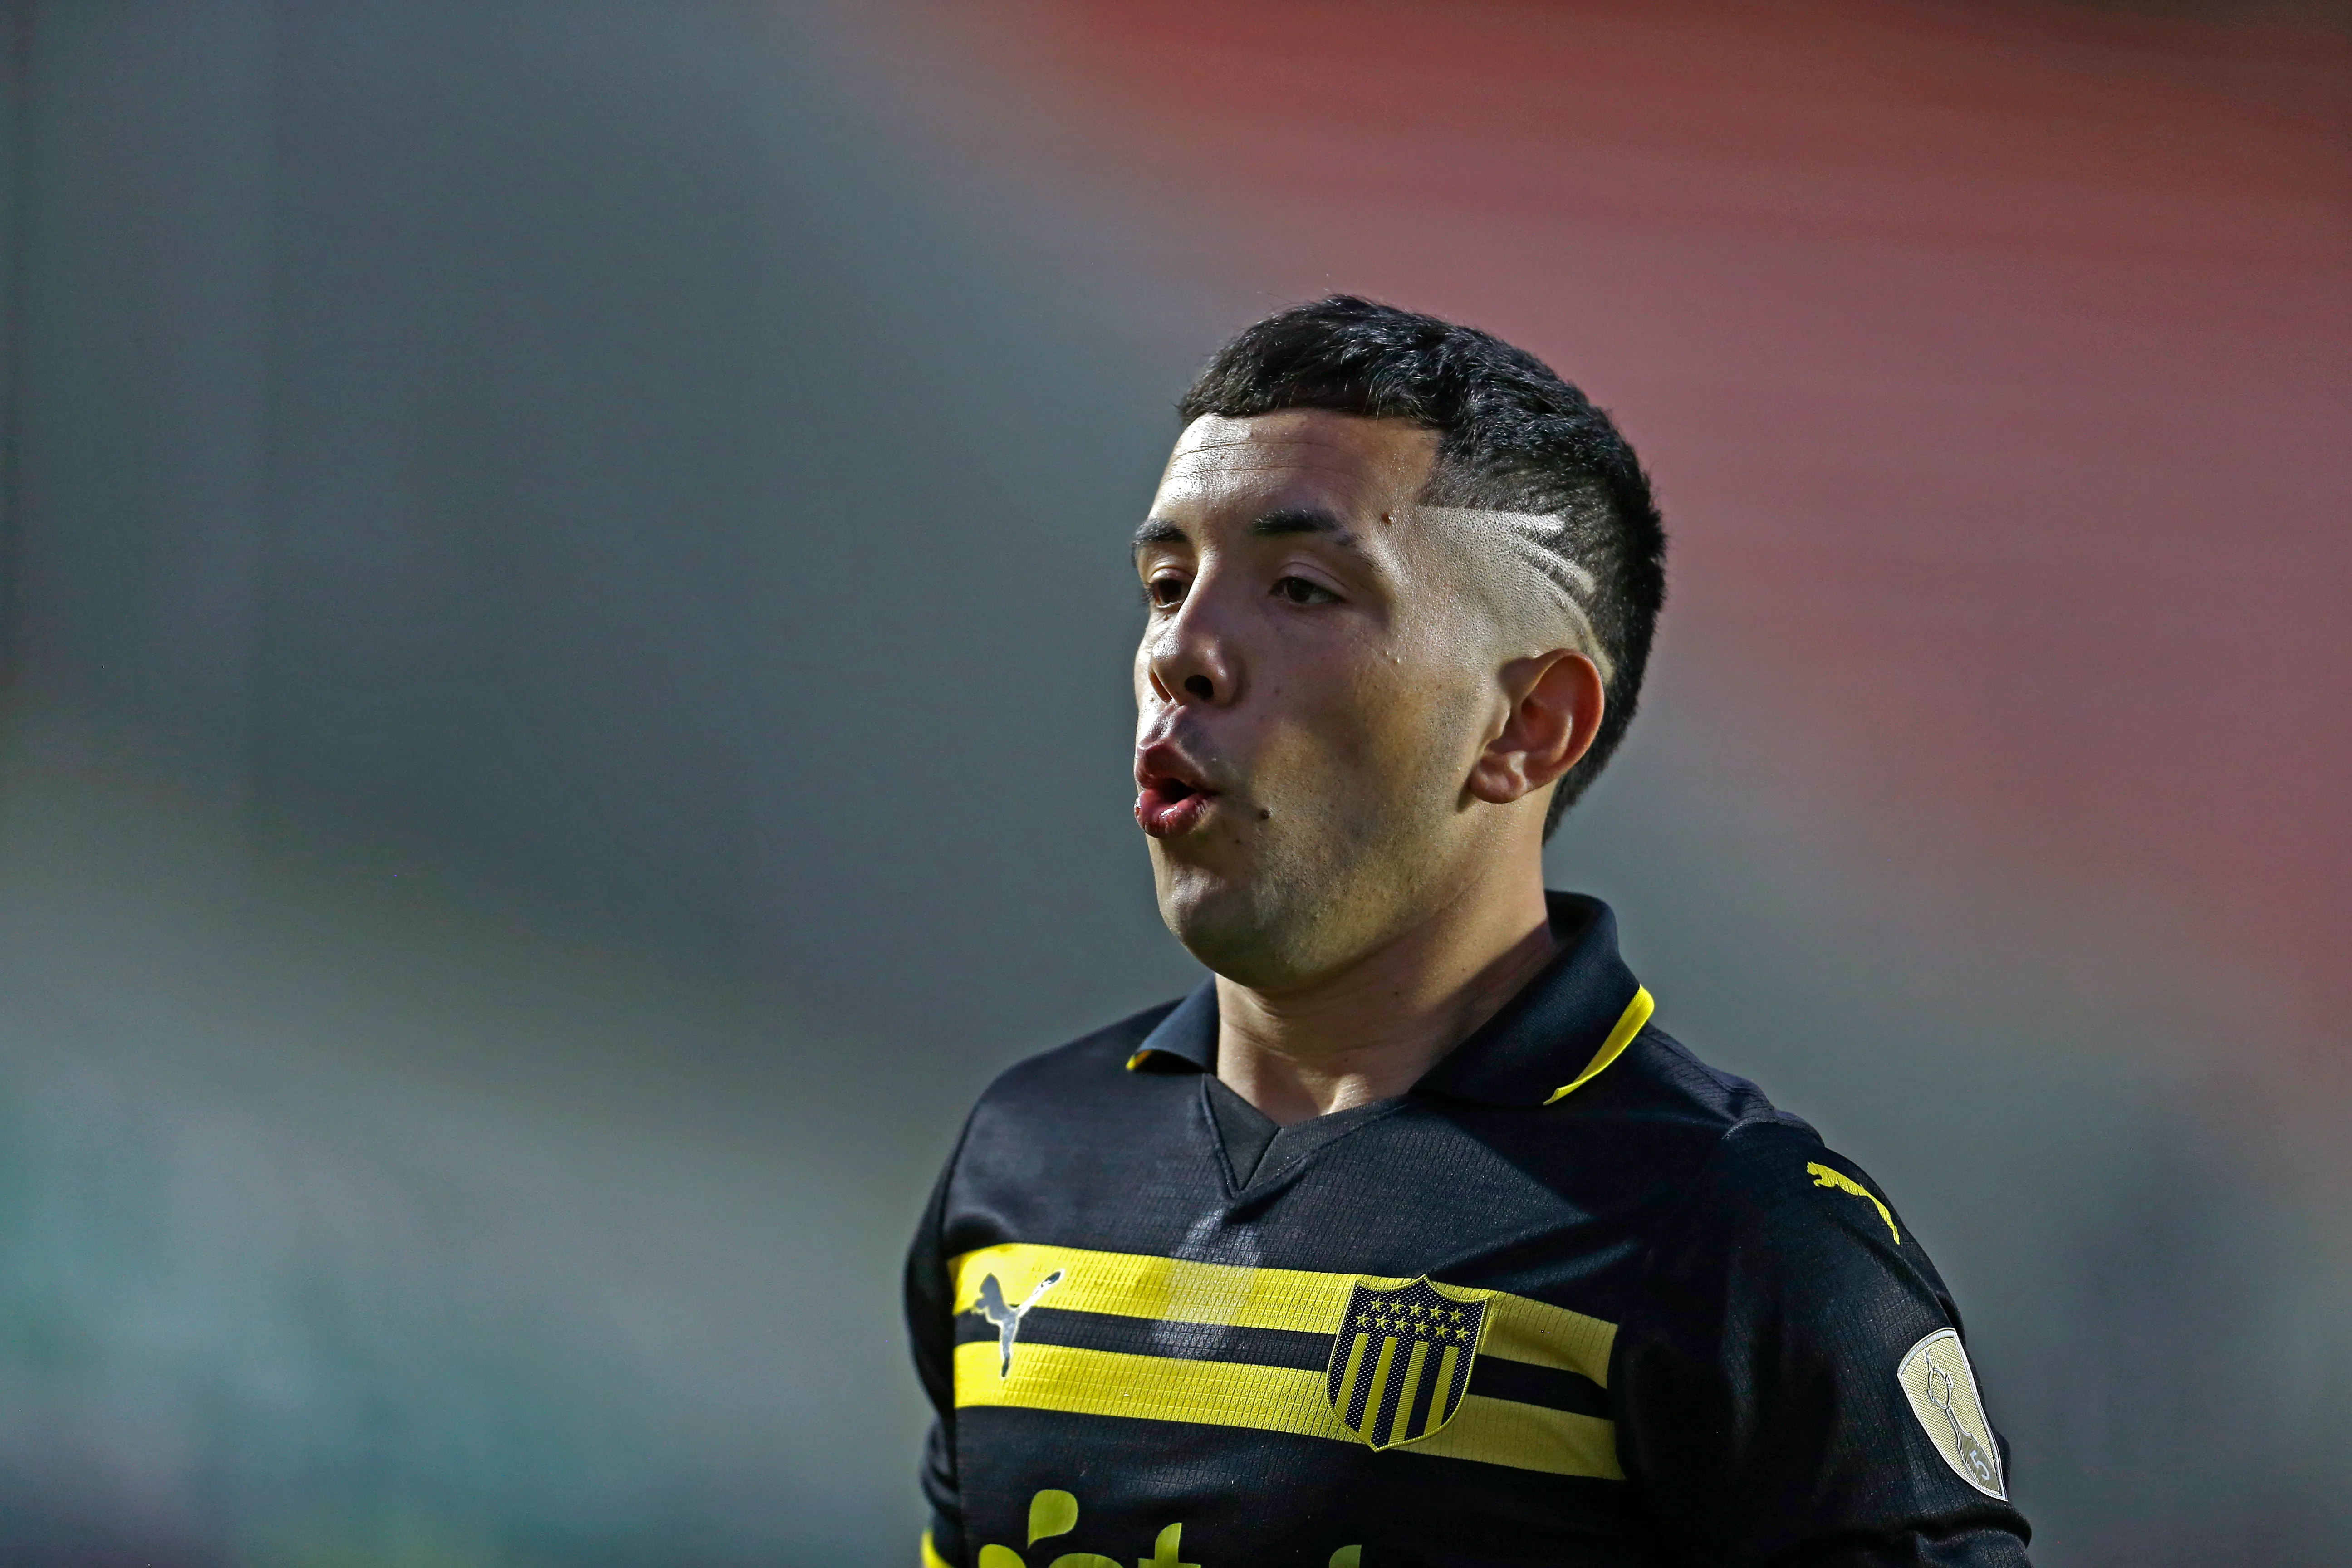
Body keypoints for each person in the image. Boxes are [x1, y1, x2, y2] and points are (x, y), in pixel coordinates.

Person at [904, 297, 2030, 1568]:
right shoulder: (1025, 1160)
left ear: (1526, 728)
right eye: (1168, 585)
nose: (1182, 652)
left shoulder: (1745, 1243)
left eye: (1302, 589)